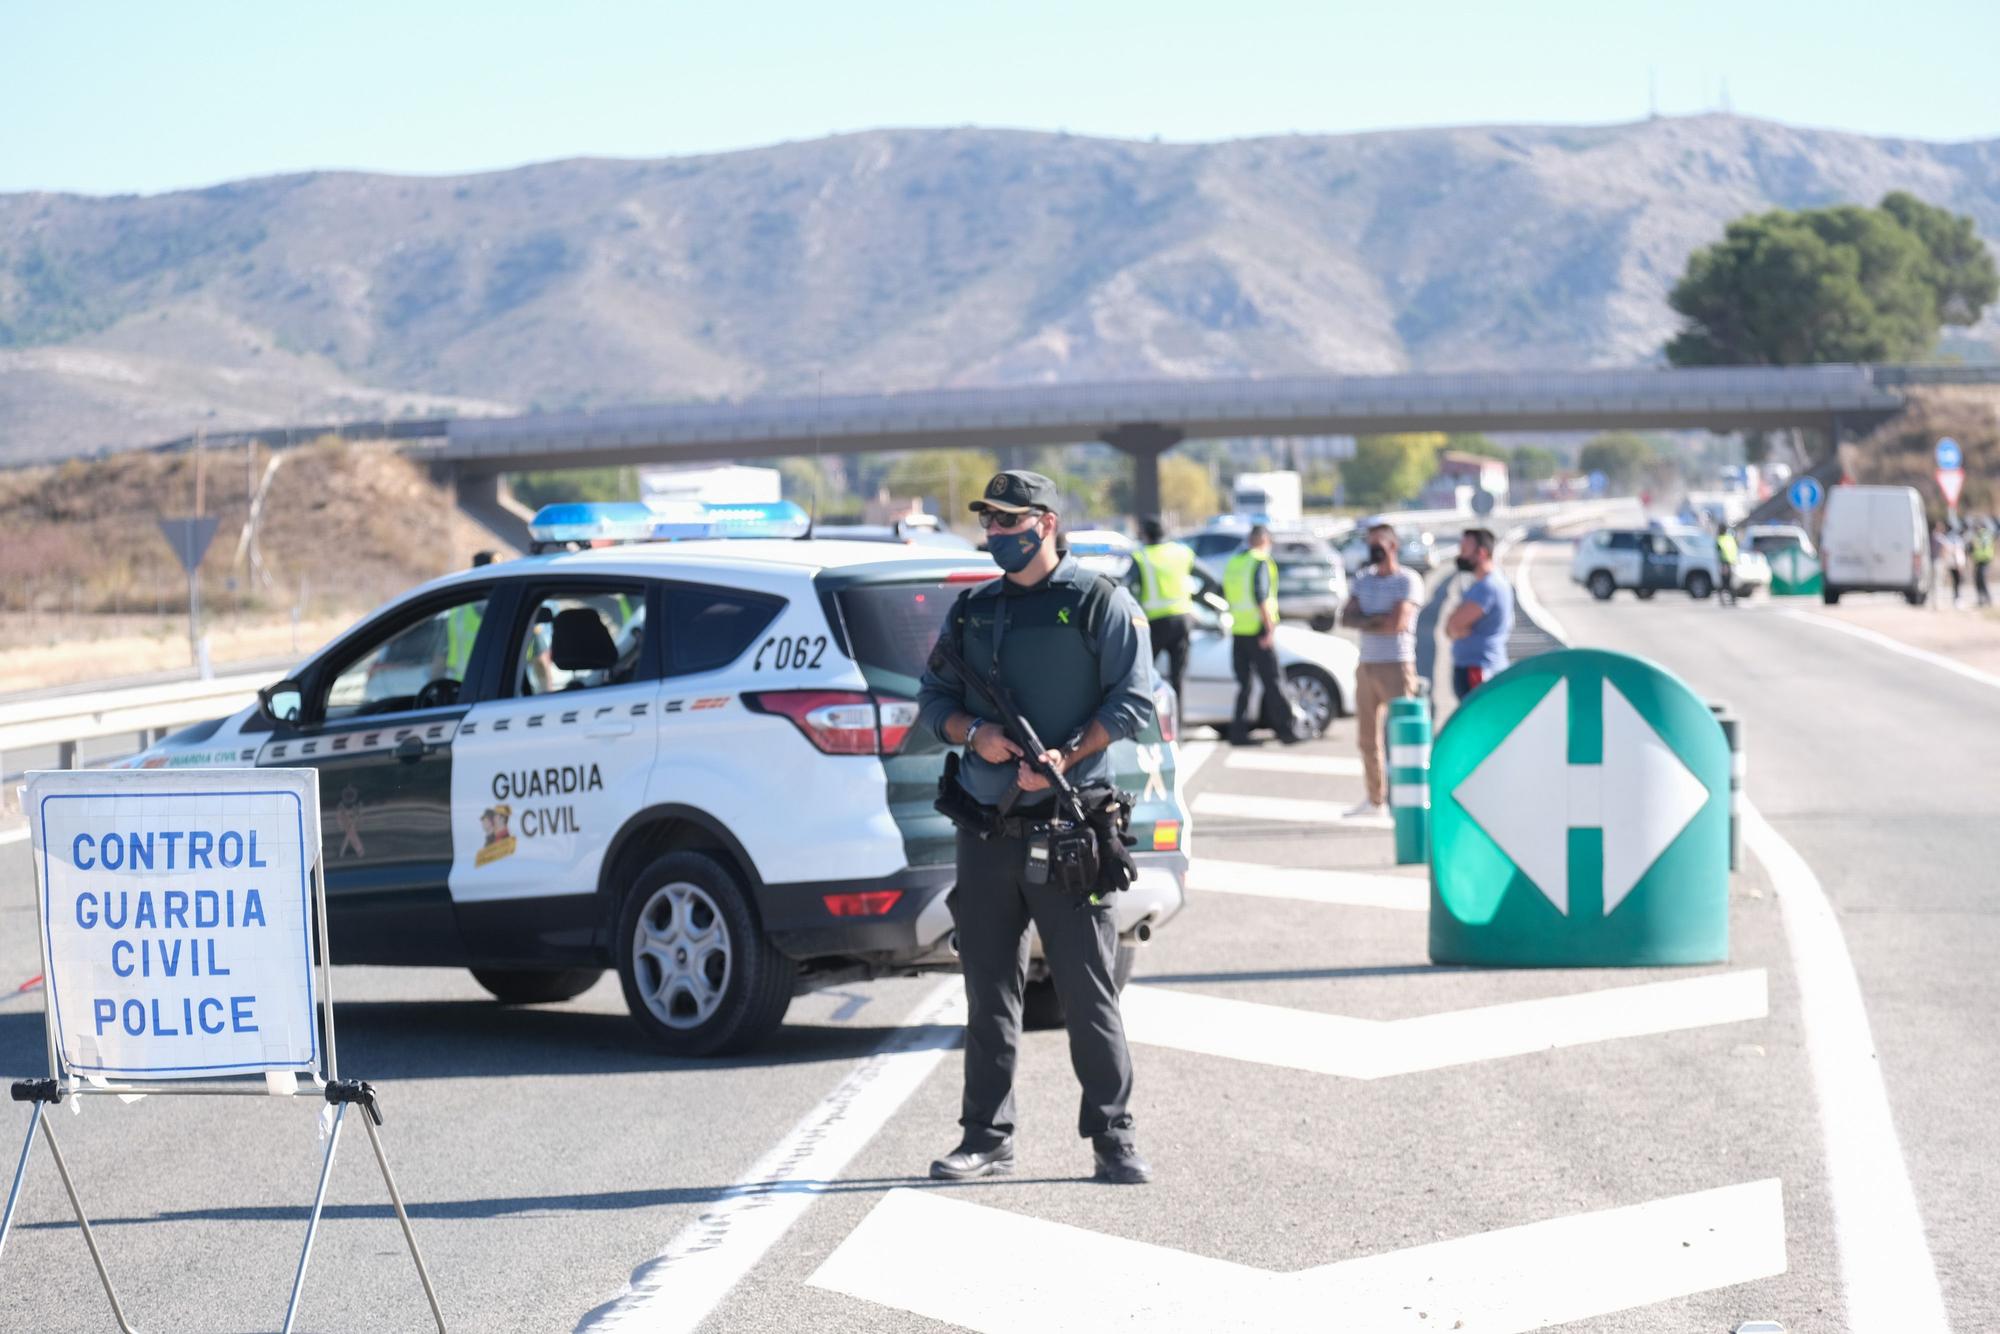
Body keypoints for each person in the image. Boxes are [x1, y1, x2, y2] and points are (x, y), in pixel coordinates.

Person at [917, 470, 1156, 1187]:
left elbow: (1134, 703)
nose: (996, 533)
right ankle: (985, 1139)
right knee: (989, 990)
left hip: (1070, 826)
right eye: (988, 521)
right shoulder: (972, 612)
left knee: (1088, 990)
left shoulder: (1097, 603)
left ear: (1045, 523)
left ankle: (1113, 1139)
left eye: (1009, 521)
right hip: (987, 829)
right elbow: (933, 699)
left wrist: (1066, 754)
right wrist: (976, 733)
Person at [1340, 522, 1421, 819]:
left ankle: (1409, 798)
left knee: (1403, 735)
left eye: (1379, 544)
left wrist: (1368, 619)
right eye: (1370, 544)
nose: (1373, 550)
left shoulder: (1408, 580)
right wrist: (1374, 619)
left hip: (1397, 665)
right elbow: (1346, 618)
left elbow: (1396, 624)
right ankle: (1375, 799)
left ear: (1393, 546)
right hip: (1367, 665)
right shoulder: (1363, 579)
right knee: (1367, 739)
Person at [1222, 526, 1298, 745]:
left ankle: (1238, 732)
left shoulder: (1235, 562)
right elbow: (1261, 597)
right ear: (1264, 540)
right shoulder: (1259, 561)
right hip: (1258, 631)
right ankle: (1286, 731)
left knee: (1243, 685)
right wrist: (1269, 629)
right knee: (1273, 681)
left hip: (1239, 631)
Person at [1130, 517, 1196, 730]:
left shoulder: (1142, 556)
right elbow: (1210, 580)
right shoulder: (1182, 553)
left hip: (1154, 623)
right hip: (1182, 620)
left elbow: (1128, 587)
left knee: (1144, 674)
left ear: (1146, 535)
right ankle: (1179, 727)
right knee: (1178, 678)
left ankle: (1147, 725)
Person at [1444, 528, 1513, 701]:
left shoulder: (1486, 588)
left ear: (1481, 553)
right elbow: (1452, 627)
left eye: (1464, 550)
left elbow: (1453, 625)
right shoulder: (1489, 583)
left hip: (1478, 670)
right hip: (1479, 667)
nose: (1460, 556)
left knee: (1479, 724)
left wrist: (1456, 628)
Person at [1715, 526, 1739, 606]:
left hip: (1724, 563)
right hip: (1733, 562)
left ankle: (1723, 599)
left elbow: (1717, 551)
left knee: (1724, 582)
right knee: (1731, 582)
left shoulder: (1719, 539)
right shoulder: (1731, 538)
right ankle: (1733, 599)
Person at [1972, 521, 1995, 609]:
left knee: (1982, 580)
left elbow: (1982, 547)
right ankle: (1981, 599)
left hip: (1984, 559)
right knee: (1978, 580)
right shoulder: (1978, 535)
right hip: (1978, 560)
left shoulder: (1984, 535)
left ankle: (1987, 599)